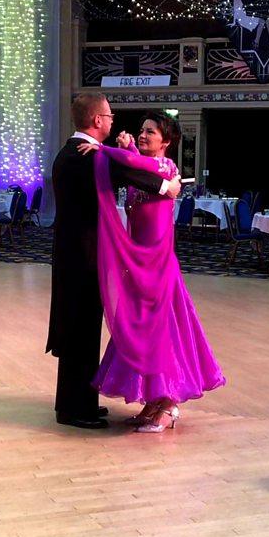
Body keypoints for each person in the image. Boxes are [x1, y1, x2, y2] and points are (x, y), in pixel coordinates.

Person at [78, 112, 225, 433]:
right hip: (140, 261)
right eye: (142, 131)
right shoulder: (141, 166)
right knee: (144, 329)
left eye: (151, 132)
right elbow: (134, 167)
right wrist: (126, 149)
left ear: (166, 141)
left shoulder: (166, 168)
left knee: (163, 330)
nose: (144, 135)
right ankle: (154, 400)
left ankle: (169, 404)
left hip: (157, 261)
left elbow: (142, 167)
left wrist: (103, 149)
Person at [46, 94, 181, 430]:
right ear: (96, 120)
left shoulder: (74, 152)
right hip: (83, 258)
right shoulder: (85, 154)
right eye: (109, 115)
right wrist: (168, 186)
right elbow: (130, 173)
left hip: (79, 256)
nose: (112, 121)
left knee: (82, 331)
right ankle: (76, 410)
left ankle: (77, 403)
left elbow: (130, 166)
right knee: (80, 333)